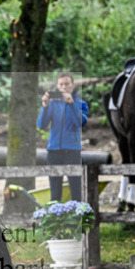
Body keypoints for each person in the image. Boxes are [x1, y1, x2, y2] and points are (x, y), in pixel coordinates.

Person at [36, 72, 89, 201]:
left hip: (72, 151)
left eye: (67, 84)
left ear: (73, 85)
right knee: (55, 192)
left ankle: (78, 218)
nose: (64, 87)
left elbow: (80, 122)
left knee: (76, 190)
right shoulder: (53, 104)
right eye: (61, 84)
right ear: (57, 86)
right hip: (54, 151)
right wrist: (44, 106)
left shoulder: (81, 104)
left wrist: (71, 104)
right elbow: (41, 125)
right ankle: (56, 218)